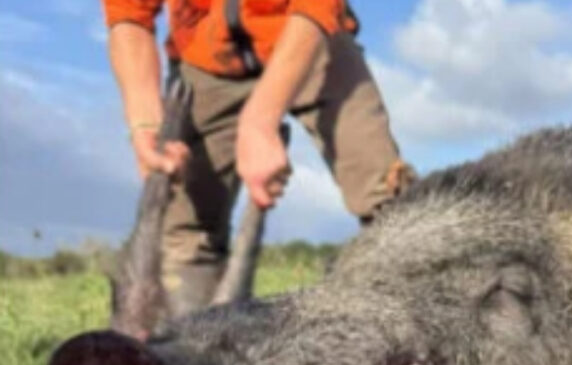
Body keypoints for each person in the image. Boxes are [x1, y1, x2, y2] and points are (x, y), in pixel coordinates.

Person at [103, 0, 414, 315]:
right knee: (186, 230)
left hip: (310, 33)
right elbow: (128, 13)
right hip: (204, 55)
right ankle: (193, 350)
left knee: (390, 202)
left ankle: (420, 339)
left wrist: (261, 122)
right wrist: (144, 121)